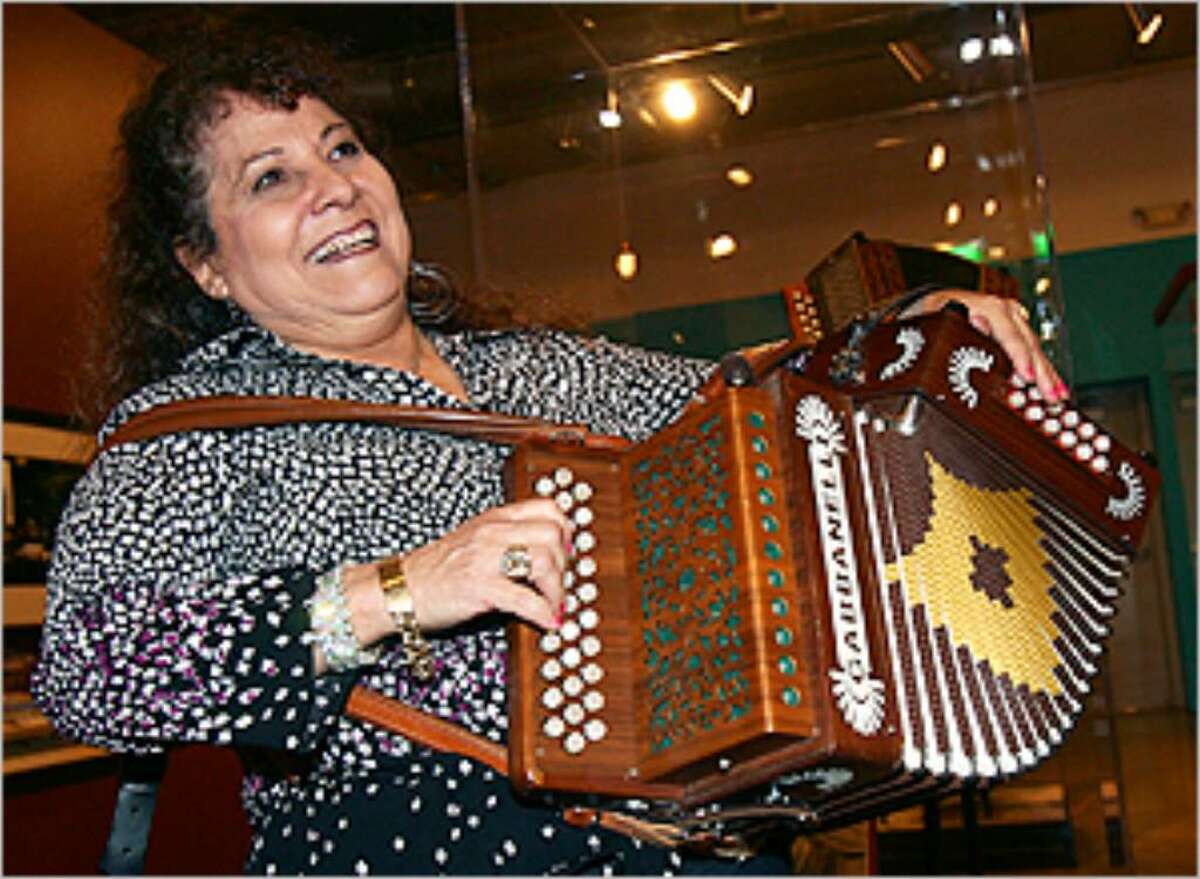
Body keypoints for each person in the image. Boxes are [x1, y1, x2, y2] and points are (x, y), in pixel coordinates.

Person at [31, 29, 1066, 877]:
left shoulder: (540, 368)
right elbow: (88, 671)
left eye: (342, 149)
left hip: (690, 842)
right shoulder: (191, 432)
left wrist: (907, 332)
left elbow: (755, 404)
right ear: (206, 265)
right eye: (272, 178)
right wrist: (398, 590)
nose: (334, 188)